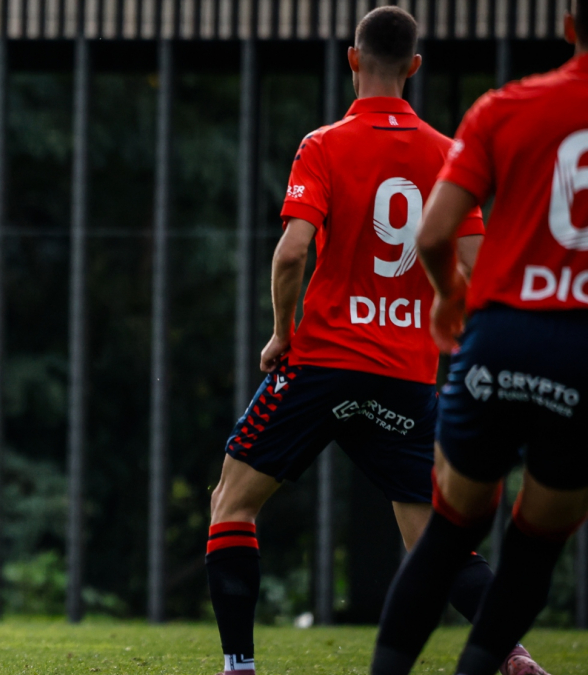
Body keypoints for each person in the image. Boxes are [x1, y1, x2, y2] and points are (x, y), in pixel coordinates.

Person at [204, 7, 543, 675]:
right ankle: (513, 652)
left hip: (321, 365)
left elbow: (292, 252)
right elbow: (477, 268)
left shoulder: (324, 145)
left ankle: (240, 667)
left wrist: (281, 332)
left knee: (231, 504)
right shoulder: (447, 154)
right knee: (434, 541)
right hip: (405, 375)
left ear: (353, 59)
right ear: (414, 66)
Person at [370, 1, 588, 672]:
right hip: (581, 353)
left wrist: (447, 298)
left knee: (449, 531)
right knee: (534, 544)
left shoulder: (504, 107)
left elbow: (435, 233)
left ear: (569, 27)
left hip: (499, 337)